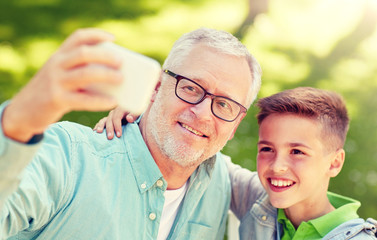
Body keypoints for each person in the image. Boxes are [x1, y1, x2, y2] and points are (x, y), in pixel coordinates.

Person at [0, 27, 262, 239]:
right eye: (191, 88)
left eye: (224, 104)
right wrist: (20, 121)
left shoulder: (220, 182)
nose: (203, 113)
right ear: (157, 87)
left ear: (234, 127)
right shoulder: (69, 158)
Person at [96, 87, 377, 239]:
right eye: (267, 148)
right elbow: (202, 154)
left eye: (297, 152)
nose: (277, 165)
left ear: (335, 162)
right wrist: (155, 118)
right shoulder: (261, 200)